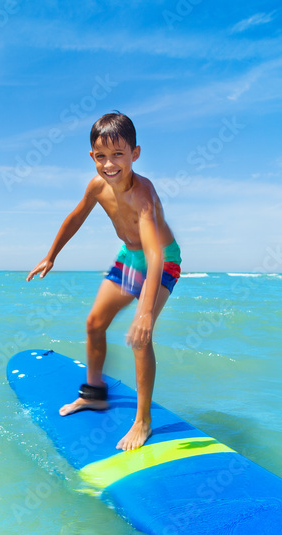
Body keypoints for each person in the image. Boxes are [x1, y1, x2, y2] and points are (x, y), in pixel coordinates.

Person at [26, 112, 181, 452]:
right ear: (92, 157)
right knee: (95, 322)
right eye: (101, 156)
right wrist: (51, 255)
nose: (109, 164)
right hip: (130, 258)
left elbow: (155, 254)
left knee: (141, 337)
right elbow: (76, 216)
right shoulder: (97, 186)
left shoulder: (143, 192)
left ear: (135, 154)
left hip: (162, 259)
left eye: (118, 155)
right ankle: (94, 395)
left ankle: (143, 421)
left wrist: (143, 312)